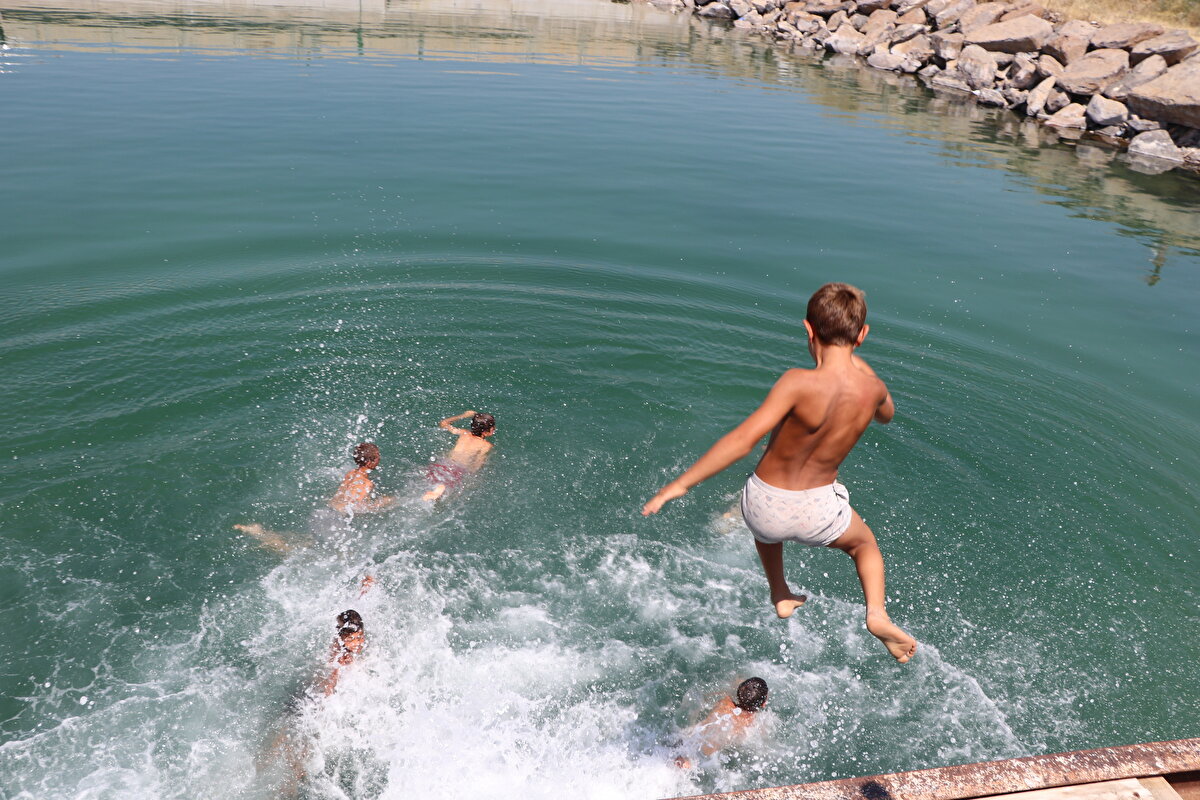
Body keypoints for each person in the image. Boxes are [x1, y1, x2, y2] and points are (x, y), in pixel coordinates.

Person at [642, 283, 917, 663]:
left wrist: (678, 485)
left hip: (764, 505)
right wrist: (866, 373)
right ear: (862, 336)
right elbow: (886, 415)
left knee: (766, 528)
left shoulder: (797, 382)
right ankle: (877, 614)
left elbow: (743, 440)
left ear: (808, 329)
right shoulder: (873, 389)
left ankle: (780, 592)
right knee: (863, 546)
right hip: (819, 510)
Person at [236, 442, 393, 552]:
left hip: (321, 513)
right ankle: (263, 536)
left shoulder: (350, 474)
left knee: (312, 545)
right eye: (377, 457)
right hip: (333, 518)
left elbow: (342, 498)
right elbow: (355, 507)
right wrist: (381, 505)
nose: (379, 459)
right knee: (339, 556)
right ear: (371, 462)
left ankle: (261, 533)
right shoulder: (366, 483)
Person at [674, 678, 769, 768]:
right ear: (763, 703)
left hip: (685, 738)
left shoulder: (725, 701)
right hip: (702, 757)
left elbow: (705, 699)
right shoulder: (752, 724)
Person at [422, 410, 496, 502]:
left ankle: (433, 492)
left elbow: (443, 423)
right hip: (457, 469)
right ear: (485, 432)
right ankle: (436, 492)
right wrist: (472, 477)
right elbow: (477, 464)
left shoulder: (463, 433)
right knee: (444, 486)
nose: (494, 429)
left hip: (444, 463)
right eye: (493, 428)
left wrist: (464, 415)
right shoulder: (486, 445)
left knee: (435, 480)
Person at [319, 609, 366, 696]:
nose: (337, 627)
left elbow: (333, 676)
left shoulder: (344, 647)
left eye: (339, 625)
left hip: (344, 661)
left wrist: (327, 695)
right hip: (352, 663)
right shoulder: (359, 632)